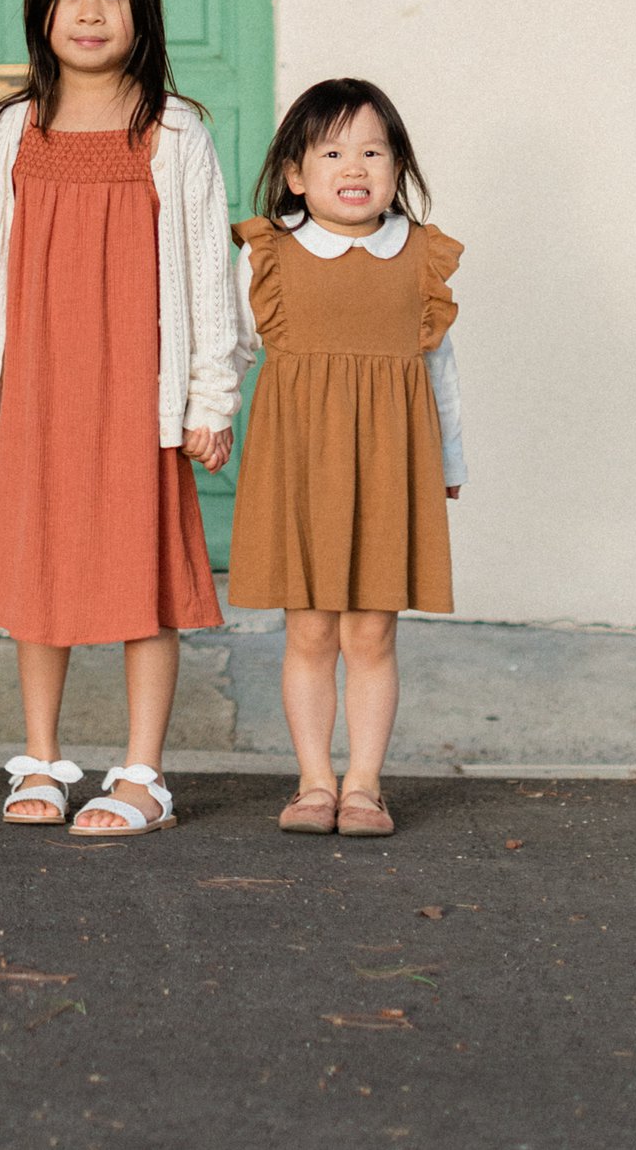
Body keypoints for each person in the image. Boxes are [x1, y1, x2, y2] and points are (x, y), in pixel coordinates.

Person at [0, 0, 243, 837]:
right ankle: (41, 760)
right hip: (42, 387)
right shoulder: (10, 128)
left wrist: (211, 397)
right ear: (41, 9)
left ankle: (143, 775)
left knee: (140, 576)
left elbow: (209, 274)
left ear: (143, 9)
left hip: (136, 389)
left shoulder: (176, 131)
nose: (90, 13)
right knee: (40, 572)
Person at [228, 77, 466, 838]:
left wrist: (450, 463)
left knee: (370, 633)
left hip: (390, 463)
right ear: (296, 174)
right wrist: (206, 419)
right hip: (299, 462)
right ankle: (313, 783)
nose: (354, 166)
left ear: (397, 169)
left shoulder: (420, 257)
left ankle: (363, 785)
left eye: (373, 151)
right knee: (309, 632)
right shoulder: (269, 254)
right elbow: (232, 350)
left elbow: (440, 369)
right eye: (332, 153)